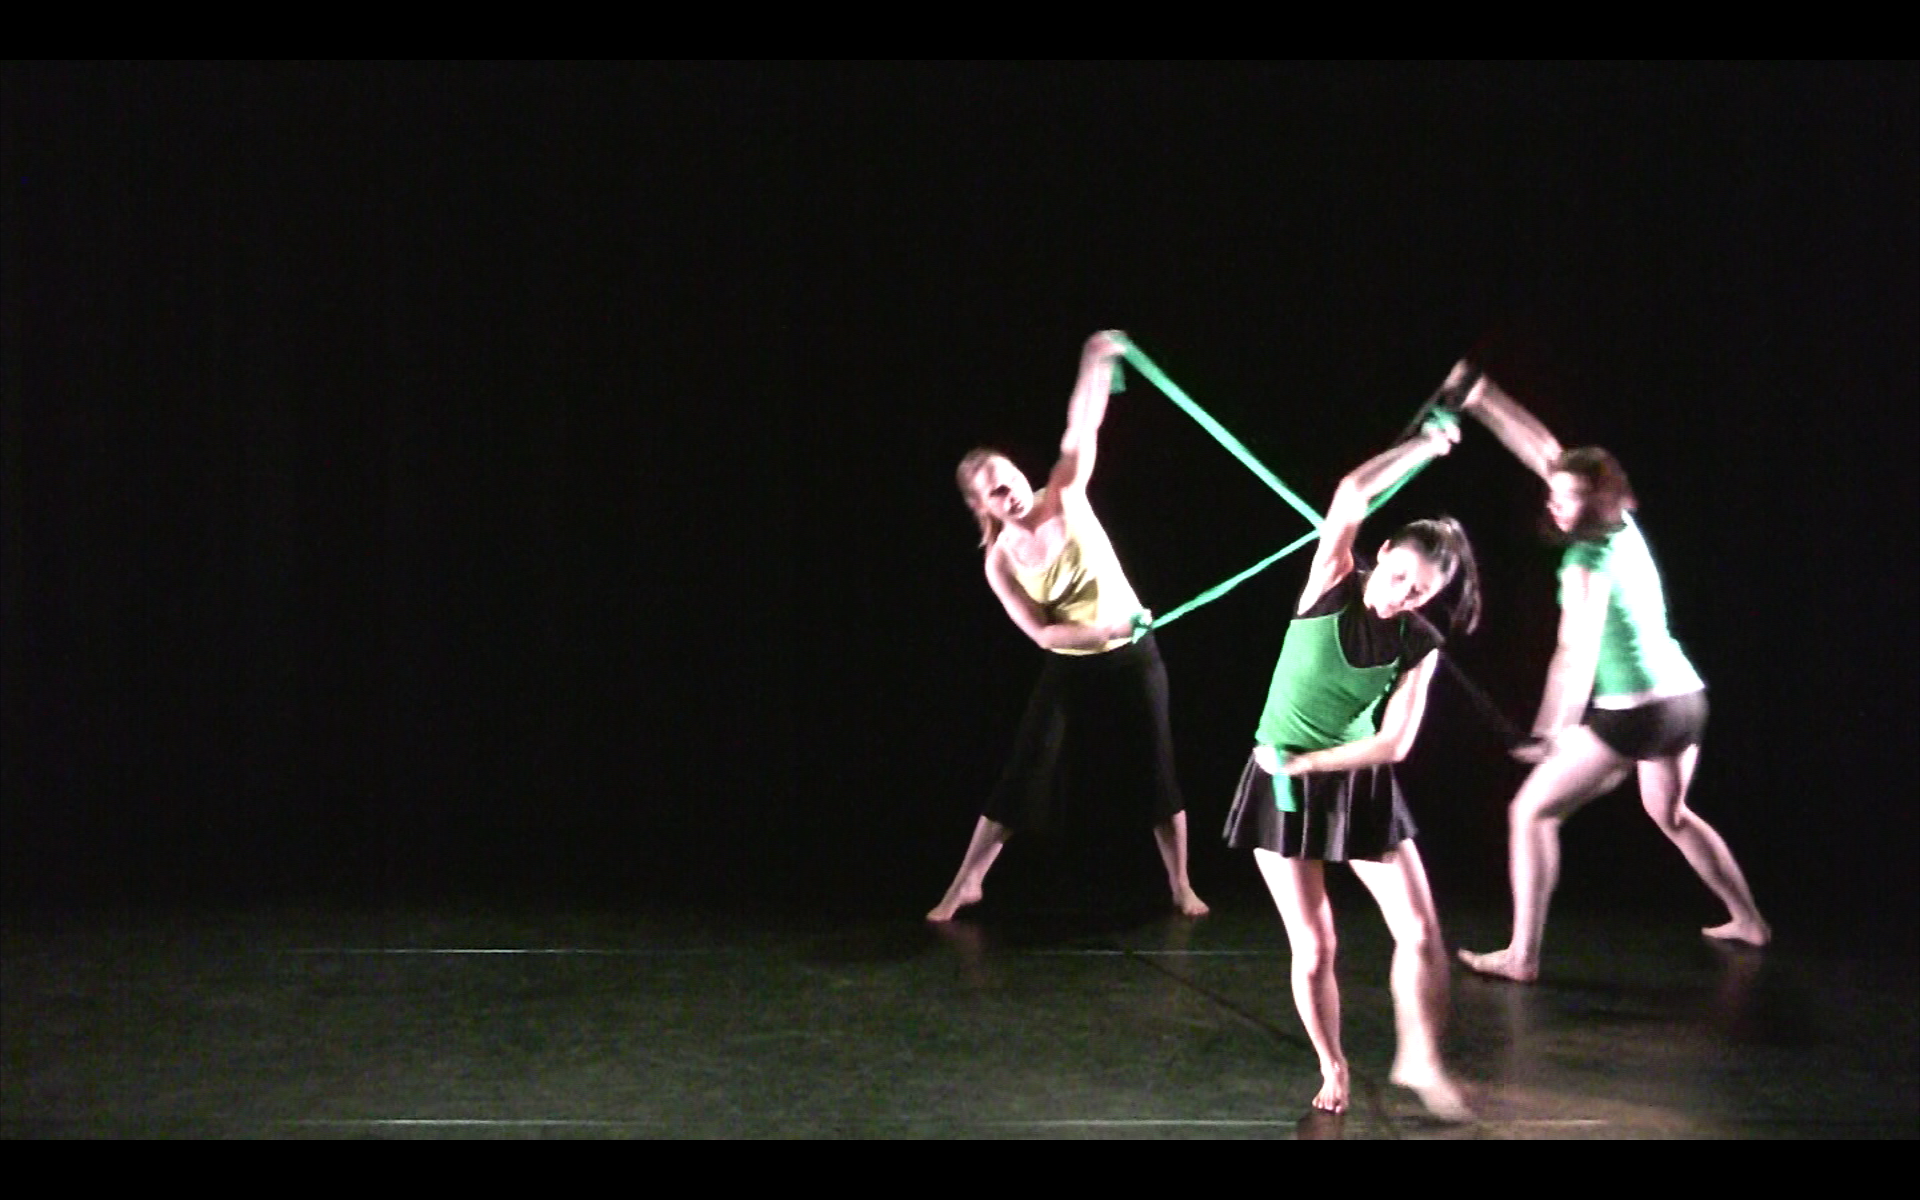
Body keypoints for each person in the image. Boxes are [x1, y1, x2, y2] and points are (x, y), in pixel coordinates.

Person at [1451, 365, 1769, 985]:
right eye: (1556, 493)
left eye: (1569, 497)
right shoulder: (1622, 523)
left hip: (1639, 713)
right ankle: (1749, 921)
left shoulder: (1586, 560)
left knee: (1531, 814)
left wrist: (1551, 731)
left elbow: (1574, 652)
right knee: (1670, 813)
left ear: (1595, 502)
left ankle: (1522, 956)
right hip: (1686, 701)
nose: (1554, 501)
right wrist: (1481, 397)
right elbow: (1549, 456)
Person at [1222, 412, 1478, 1118]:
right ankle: (1332, 1064)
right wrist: (1423, 445)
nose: (1401, 596)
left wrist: (1314, 765)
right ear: (1383, 552)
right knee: (1315, 947)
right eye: (1397, 577)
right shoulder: (1330, 581)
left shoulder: (1420, 643)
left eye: (1418, 593)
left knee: (1421, 934)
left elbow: (1394, 745)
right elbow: (1351, 492)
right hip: (1278, 784)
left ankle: (1419, 1056)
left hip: (1353, 779)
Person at [929, 331, 1208, 923]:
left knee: (1158, 772)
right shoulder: (1000, 561)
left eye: (1009, 477)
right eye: (994, 492)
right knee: (1025, 770)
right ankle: (966, 883)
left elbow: (1083, 426)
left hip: (1133, 654)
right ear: (982, 506)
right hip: (1074, 661)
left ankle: (1181, 885)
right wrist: (1103, 632)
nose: (1009, 492)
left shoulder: (1065, 492)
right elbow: (1042, 635)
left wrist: (1094, 357)